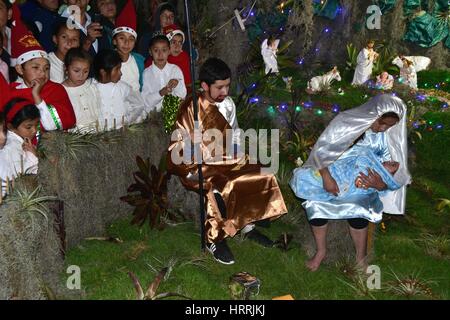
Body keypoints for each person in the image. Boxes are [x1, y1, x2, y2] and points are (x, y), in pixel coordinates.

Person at [167, 58, 288, 265]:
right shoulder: (191, 107)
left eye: (227, 85)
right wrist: (190, 142)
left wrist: (239, 155)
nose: (225, 91)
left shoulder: (228, 104)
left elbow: (235, 134)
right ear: (205, 86)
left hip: (226, 158)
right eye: (219, 87)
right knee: (222, 186)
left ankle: (247, 225)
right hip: (198, 163)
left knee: (263, 172)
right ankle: (214, 238)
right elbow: (176, 144)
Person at [291, 94, 411, 272]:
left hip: (360, 184)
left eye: (389, 126)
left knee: (359, 209)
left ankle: (360, 258)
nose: (383, 129)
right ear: (372, 113)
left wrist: (380, 184)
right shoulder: (346, 122)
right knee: (315, 204)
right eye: (382, 123)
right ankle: (321, 251)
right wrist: (326, 177)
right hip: (332, 175)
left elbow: (393, 169)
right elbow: (322, 151)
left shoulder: (385, 138)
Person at [9, 5, 76, 134]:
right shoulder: (11, 93)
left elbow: (63, 122)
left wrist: (37, 97)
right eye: (35, 67)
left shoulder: (56, 90)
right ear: (19, 69)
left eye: (46, 68)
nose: (42, 73)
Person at [93, 49, 146, 131]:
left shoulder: (123, 87)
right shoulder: (91, 88)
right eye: (117, 69)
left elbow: (139, 105)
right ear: (103, 72)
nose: (121, 73)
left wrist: (127, 121)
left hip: (122, 134)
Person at [0, 98, 40, 197]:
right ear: (10, 126)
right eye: (28, 127)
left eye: (37, 125)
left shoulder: (22, 142)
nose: (34, 130)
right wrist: (33, 155)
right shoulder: (11, 148)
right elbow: (20, 177)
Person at [142, 34, 186, 111]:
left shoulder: (175, 70)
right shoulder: (146, 73)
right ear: (150, 52)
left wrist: (177, 83)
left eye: (164, 50)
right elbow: (146, 101)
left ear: (169, 51)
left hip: (174, 113)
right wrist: (160, 93)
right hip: (153, 116)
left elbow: (182, 95)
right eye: (156, 50)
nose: (160, 54)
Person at [62, 47, 101, 131]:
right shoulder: (61, 91)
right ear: (66, 69)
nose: (81, 75)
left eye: (85, 71)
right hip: (74, 137)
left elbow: (99, 110)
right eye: (76, 71)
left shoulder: (92, 86)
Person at [112, 0, 145, 92]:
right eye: (122, 38)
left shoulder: (140, 61)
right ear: (114, 40)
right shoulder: (108, 61)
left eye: (131, 39)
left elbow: (143, 85)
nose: (127, 43)